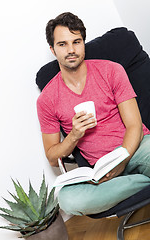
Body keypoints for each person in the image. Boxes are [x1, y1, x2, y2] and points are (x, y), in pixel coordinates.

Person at [37, 12, 150, 215]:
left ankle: (133, 179)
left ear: (83, 44)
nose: (71, 50)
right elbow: (53, 157)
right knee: (68, 200)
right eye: (63, 44)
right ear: (53, 50)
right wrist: (74, 135)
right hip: (101, 170)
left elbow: (135, 125)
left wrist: (122, 159)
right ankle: (143, 181)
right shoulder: (47, 99)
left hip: (135, 148)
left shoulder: (112, 71)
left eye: (76, 42)